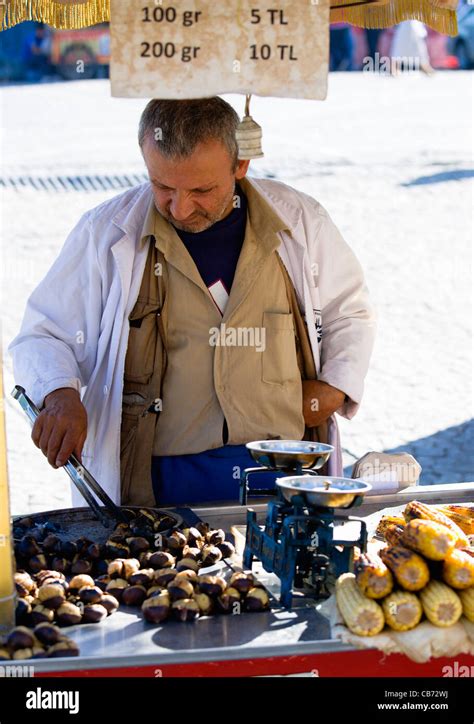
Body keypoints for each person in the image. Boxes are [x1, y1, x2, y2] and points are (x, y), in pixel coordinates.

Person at [9, 98, 376, 507]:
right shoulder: (104, 233)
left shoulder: (301, 221)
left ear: (241, 166)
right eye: (163, 186)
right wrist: (59, 394)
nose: (180, 208)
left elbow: (349, 311)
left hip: (282, 474)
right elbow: (45, 333)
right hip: (157, 484)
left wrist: (335, 386)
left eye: (202, 190)